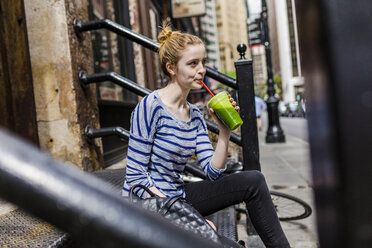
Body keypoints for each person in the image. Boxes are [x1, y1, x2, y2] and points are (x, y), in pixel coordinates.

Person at [122, 21, 290, 248]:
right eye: (192, 64)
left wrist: (224, 131)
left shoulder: (195, 115)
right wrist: (190, 218)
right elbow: (136, 178)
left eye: (203, 62)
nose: (201, 70)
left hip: (178, 196)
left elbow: (213, 172)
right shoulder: (150, 107)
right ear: (171, 68)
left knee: (254, 180)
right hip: (149, 207)